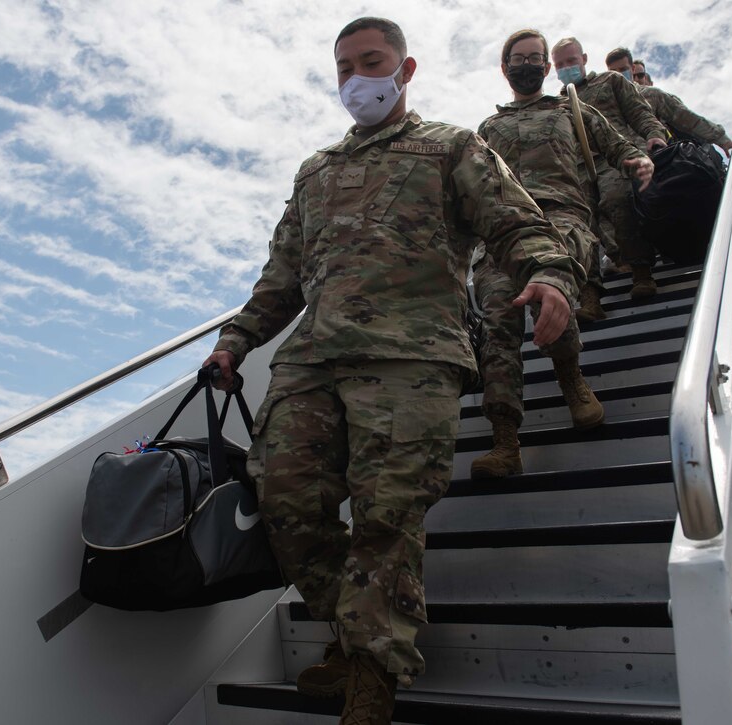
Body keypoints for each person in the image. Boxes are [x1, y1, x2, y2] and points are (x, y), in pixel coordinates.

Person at [201, 17, 582, 725]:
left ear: (405, 71)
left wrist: (551, 273)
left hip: (413, 355)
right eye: (343, 68)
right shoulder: (316, 171)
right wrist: (236, 339)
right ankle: (354, 629)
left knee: (386, 513)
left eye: (370, 62)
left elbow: (514, 221)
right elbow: (281, 274)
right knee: (283, 500)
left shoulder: (449, 147)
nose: (355, 79)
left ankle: (373, 677)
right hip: (312, 359)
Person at [468, 29, 654, 479]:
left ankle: (572, 382)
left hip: (562, 218)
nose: (528, 64)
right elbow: (471, 186)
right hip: (502, 231)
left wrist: (638, 161)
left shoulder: (571, 109)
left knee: (552, 291)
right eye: (519, 58)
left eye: (536, 58)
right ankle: (505, 441)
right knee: (497, 323)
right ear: (505, 67)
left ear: (546, 68)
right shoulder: (488, 128)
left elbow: (618, 146)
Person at [552, 37, 668, 299]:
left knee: (618, 201)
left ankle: (641, 272)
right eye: (560, 64)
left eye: (571, 60)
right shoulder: (556, 104)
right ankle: (590, 295)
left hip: (613, 158)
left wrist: (654, 133)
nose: (567, 67)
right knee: (581, 227)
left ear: (583, 59)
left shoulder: (610, 82)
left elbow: (639, 112)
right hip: (577, 169)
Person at [606, 48, 732, 156]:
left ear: (632, 69)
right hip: (620, 175)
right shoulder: (605, 105)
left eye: (623, 69)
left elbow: (686, 117)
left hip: (654, 166)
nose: (619, 76)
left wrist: (720, 137)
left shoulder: (651, 95)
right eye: (614, 72)